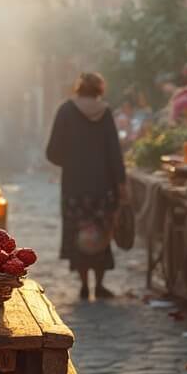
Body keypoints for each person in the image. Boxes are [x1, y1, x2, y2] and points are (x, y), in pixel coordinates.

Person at [45, 72, 127, 301]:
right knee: (101, 233)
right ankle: (99, 286)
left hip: (74, 186)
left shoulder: (65, 111)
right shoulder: (106, 112)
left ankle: (83, 286)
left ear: (78, 88)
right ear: (100, 90)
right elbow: (115, 154)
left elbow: (52, 152)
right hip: (103, 187)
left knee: (78, 233)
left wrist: (70, 162)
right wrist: (121, 183)